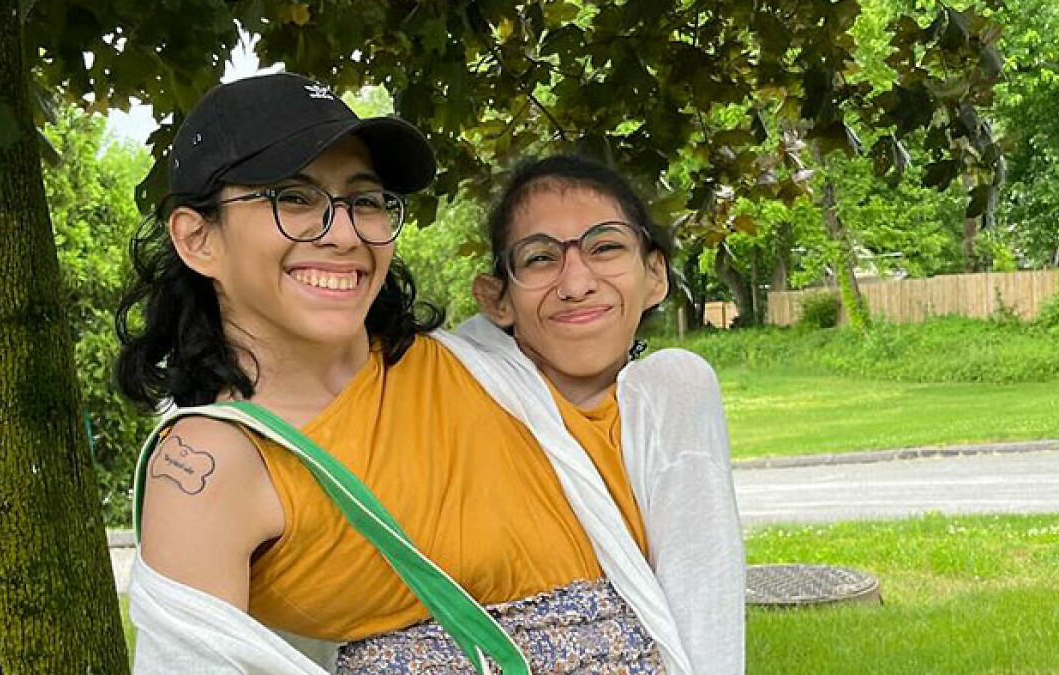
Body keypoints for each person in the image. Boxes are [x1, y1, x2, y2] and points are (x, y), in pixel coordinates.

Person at [115, 73, 698, 674]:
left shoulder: (485, 367)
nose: (343, 234)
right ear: (197, 237)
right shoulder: (213, 466)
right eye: (294, 199)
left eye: (365, 201)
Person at [459, 154, 746, 673]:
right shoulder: (457, 387)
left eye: (606, 247)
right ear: (496, 298)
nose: (576, 283)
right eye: (540, 259)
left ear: (655, 275)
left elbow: (706, 595)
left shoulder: (673, 391)